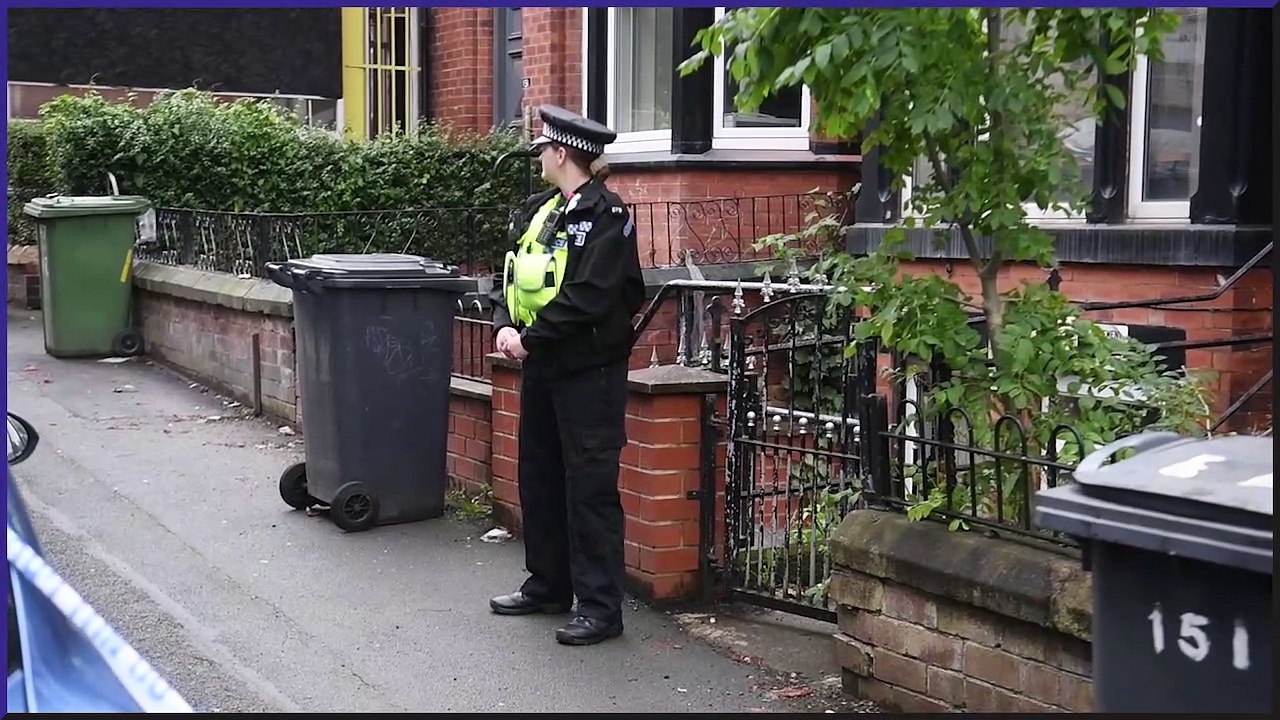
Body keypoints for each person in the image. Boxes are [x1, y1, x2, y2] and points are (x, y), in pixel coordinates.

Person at [487, 104, 644, 646]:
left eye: (543, 150)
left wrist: (529, 338)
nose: (538, 158)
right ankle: (548, 584)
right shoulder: (541, 210)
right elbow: (509, 274)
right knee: (541, 477)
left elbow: (592, 297)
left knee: (590, 489)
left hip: (588, 373)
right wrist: (506, 324)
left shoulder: (607, 216)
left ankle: (600, 608)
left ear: (561, 152)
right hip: (543, 367)